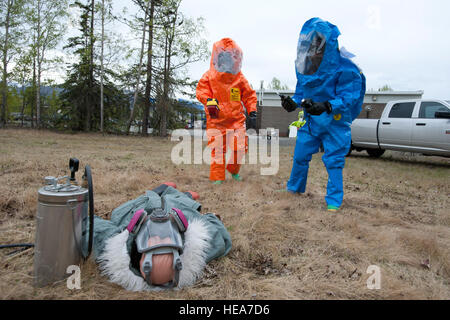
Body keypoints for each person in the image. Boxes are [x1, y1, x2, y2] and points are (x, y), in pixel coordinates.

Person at [281, 18, 366, 212]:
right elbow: (300, 94)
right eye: (311, 46)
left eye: (318, 46)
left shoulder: (346, 68)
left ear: (327, 46)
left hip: (335, 122)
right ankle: (294, 189)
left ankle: (334, 200)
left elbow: (349, 97)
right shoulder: (307, 68)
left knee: (334, 160)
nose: (313, 51)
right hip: (311, 121)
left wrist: (327, 105)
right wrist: (291, 103)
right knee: (300, 155)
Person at [92, 183, 232, 291]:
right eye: (167, 242)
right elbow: (221, 236)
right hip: (177, 205)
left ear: (139, 254)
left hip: (138, 206)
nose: (160, 235)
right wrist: (212, 217)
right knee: (182, 201)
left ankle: (161, 189)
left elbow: (92, 225)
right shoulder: (196, 249)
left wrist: (125, 234)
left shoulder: (115, 247)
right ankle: (184, 195)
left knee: (127, 208)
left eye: (153, 242)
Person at [196, 38, 258, 185]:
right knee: (218, 151)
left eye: (230, 58)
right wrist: (209, 100)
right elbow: (201, 91)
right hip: (216, 120)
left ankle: (233, 170)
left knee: (241, 147)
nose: (227, 62)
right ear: (218, 58)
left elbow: (249, 95)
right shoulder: (209, 76)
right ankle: (218, 178)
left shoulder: (239, 78)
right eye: (224, 58)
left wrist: (252, 110)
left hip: (236, 120)